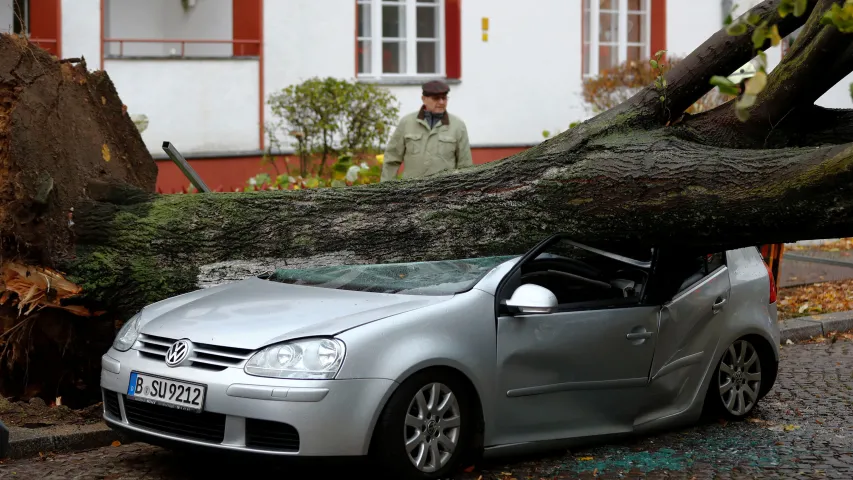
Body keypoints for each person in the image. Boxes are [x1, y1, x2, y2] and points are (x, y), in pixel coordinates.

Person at [380, 80, 473, 182]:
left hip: (445, 193)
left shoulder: (458, 126)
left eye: (444, 98)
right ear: (424, 99)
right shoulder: (407, 123)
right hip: (412, 191)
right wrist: (386, 190)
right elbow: (392, 159)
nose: (441, 102)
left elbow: (465, 165)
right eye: (436, 98)